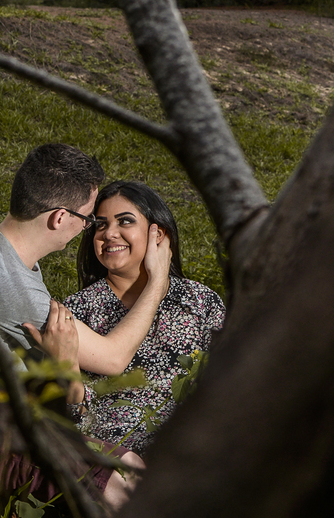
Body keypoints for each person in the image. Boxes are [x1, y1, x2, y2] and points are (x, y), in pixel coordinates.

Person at [0, 145, 171, 518]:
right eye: (88, 220)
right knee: (117, 492)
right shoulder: (10, 284)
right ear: (60, 218)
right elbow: (115, 357)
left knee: (131, 470)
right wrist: (156, 281)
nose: (89, 230)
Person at [57, 181, 226, 455]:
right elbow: (76, 418)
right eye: (100, 224)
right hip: (120, 462)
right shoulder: (77, 311)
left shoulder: (198, 300)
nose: (109, 233)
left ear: (157, 234)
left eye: (125, 221)